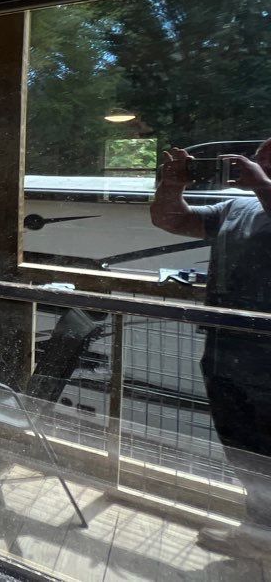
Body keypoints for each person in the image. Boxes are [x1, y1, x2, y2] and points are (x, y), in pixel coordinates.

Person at [151, 140, 271, 559]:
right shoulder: (237, 206)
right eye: (262, 152)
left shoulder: (258, 196)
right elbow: (171, 220)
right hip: (224, 352)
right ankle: (258, 537)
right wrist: (171, 183)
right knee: (246, 453)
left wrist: (263, 187)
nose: (261, 157)